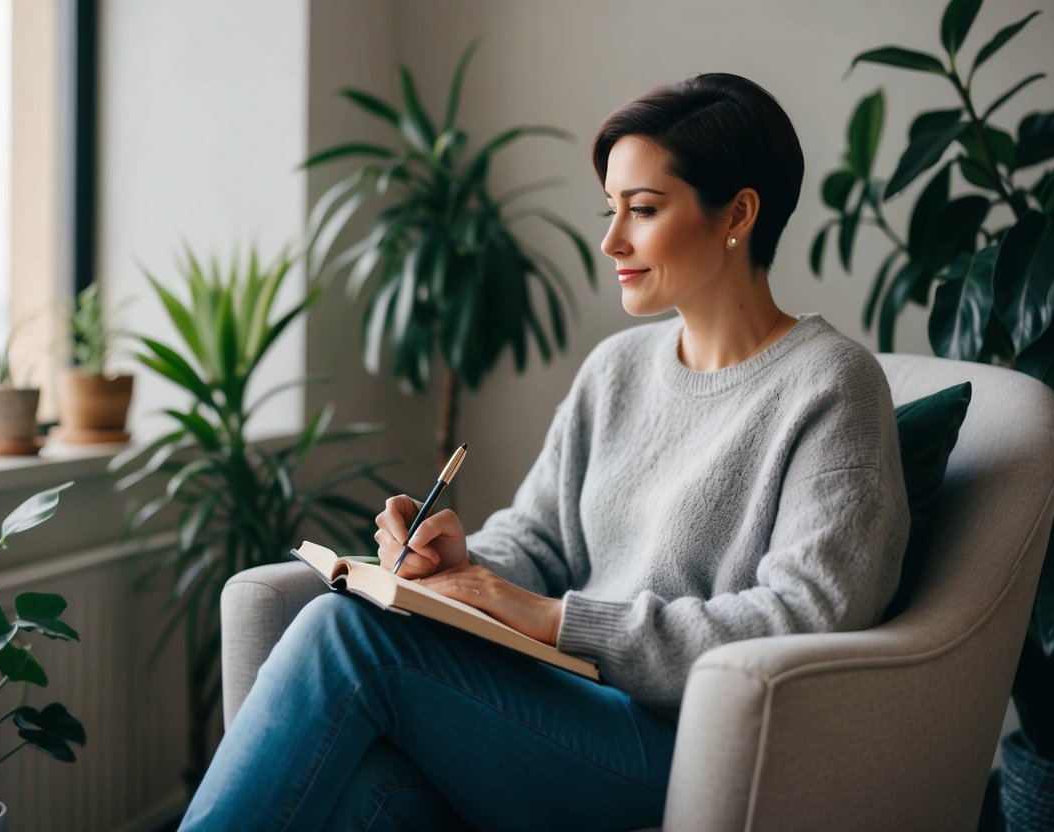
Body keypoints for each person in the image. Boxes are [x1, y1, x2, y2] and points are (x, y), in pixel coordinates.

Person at [178, 72, 910, 831]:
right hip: (564, 714)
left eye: (644, 210)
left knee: (346, 635)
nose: (610, 240)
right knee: (361, 789)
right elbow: (538, 539)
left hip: (686, 746)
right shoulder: (616, 369)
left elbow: (807, 618)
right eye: (610, 210)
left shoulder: (831, 384)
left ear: (738, 214)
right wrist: (456, 562)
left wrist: (555, 621)